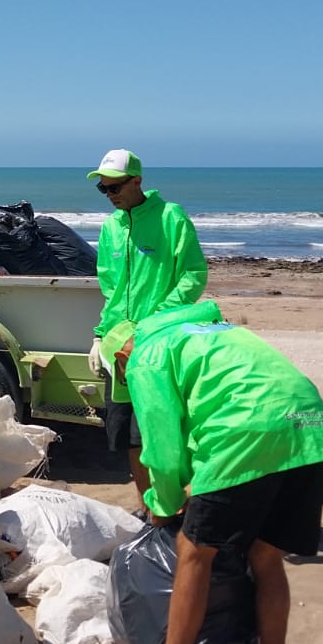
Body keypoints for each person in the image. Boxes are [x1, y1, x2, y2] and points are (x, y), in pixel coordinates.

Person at [104, 301, 323, 644]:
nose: (126, 381)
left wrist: (163, 506)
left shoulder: (147, 354)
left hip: (246, 430)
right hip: (308, 425)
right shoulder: (211, 332)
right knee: (266, 557)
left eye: (120, 375)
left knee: (194, 552)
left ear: (122, 355)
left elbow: (162, 447)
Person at [86, 149, 207, 509]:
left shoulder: (171, 218)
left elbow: (192, 276)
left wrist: (155, 323)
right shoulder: (111, 227)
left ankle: (178, 509)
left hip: (159, 345)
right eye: (103, 190)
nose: (111, 195)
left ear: (137, 180)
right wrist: (99, 334)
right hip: (119, 348)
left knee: (162, 434)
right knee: (128, 439)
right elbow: (111, 288)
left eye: (116, 187)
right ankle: (150, 510)